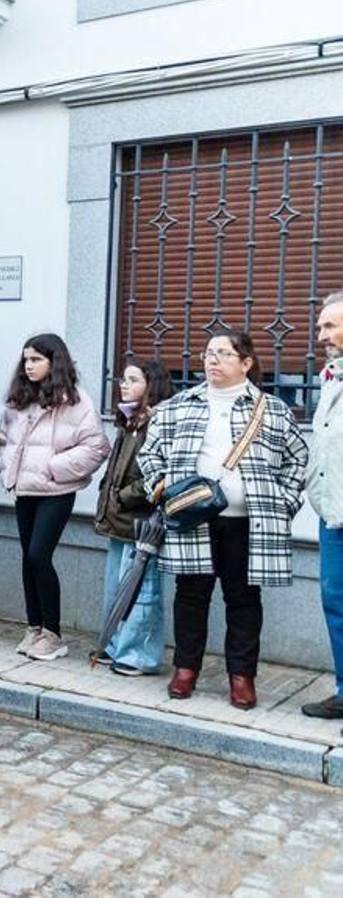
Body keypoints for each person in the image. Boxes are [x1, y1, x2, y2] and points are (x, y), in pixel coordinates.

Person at [138, 330, 308, 709]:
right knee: (191, 596)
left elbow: (299, 459)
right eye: (208, 353)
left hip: (250, 521)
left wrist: (284, 501)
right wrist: (161, 485)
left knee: (244, 599)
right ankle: (185, 669)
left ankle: (242, 677)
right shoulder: (179, 405)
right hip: (193, 518)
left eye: (223, 354)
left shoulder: (273, 410)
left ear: (245, 363)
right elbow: (149, 454)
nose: (212, 360)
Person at [0, 333, 110, 662]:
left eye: (36, 360)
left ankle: (54, 634)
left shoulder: (76, 400)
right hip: (24, 489)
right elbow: (3, 440)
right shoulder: (19, 399)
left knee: (38, 556)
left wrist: (54, 468)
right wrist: (6, 471)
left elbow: (97, 447)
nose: (29, 366)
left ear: (53, 361)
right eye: (26, 359)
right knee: (26, 559)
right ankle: (34, 627)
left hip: (56, 491)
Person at [91, 359, 173, 676]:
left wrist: (124, 497)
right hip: (119, 519)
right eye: (123, 379)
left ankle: (139, 655)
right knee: (117, 587)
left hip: (142, 520)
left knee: (143, 590)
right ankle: (114, 645)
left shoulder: (159, 422)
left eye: (132, 379)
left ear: (151, 385)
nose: (123, 385)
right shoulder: (129, 420)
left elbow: (159, 471)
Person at [304, 292, 343, 721]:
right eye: (320, 327)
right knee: (335, 601)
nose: (321, 336)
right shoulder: (330, 377)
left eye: (329, 326)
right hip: (332, 513)